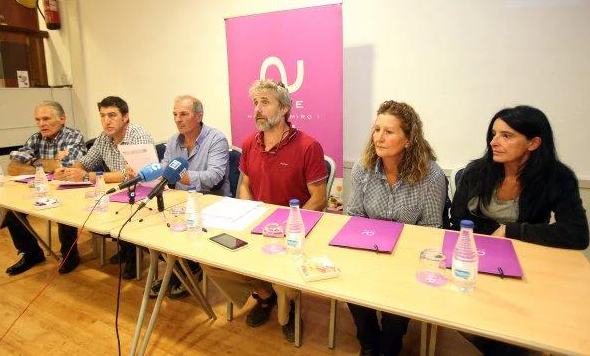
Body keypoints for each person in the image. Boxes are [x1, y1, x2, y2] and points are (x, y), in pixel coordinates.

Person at [451, 105, 589, 356]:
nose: (494, 142)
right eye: (494, 134)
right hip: (477, 258)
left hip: (526, 262)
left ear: (533, 143)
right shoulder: (476, 171)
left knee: (511, 330)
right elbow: (458, 219)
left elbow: (576, 234)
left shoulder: (558, 178)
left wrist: (511, 231)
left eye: (507, 135)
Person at [202, 79, 328, 342]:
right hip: (256, 224)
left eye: (265, 102)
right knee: (211, 258)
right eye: (255, 103)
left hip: (293, 229)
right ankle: (265, 294)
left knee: (282, 270)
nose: (257, 109)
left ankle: (289, 306)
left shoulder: (308, 146)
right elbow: (245, 183)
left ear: (284, 108)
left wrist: (291, 228)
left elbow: (319, 199)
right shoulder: (250, 142)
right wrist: (248, 214)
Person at [346, 100, 447, 356]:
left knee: (397, 306)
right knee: (352, 285)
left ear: (408, 139)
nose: (378, 138)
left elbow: (432, 229)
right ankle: (368, 344)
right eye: (377, 129)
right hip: (370, 250)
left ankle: (390, 347)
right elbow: (355, 214)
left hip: (408, 257)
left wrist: (399, 257)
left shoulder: (431, 176)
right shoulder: (363, 168)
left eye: (389, 132)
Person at [54, 96, 154, 279]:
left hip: (140, 190)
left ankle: (133, 255)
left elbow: (132, 174)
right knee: (68, 206)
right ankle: (70, 255)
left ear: (125, 117)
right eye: (102, 116)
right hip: (116, 189)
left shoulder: (138, 135)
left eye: (112, 115)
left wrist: (87, 176)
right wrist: (69, 171)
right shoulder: (103, 138)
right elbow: (85, 163)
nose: (106, 121)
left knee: (122, 208)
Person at [150, 95, 230, 299]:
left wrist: (182, 177)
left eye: (184, 114)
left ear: (199, 116)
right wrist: (148, 169)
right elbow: (164, 167)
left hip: (211, 203)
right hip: (180, 203)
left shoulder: (216, 139)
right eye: (175, 114)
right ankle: (179, 271)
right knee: (150, 229)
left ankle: (186, 271)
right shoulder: (173, 140)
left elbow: (214, 177)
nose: (178, 119)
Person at [5, 101, 87, 275]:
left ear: (62, 119)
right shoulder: (36, 138)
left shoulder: (73, 136)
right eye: (38, 119)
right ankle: (32, 253)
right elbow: (13, 167)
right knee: (11, 211)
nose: (41, 124)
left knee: (63, 208)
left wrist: (33, 162)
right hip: (41, 187)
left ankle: (69, 254)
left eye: (46, 119)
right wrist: (45, 166)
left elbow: (66, 166)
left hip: (67, 188)